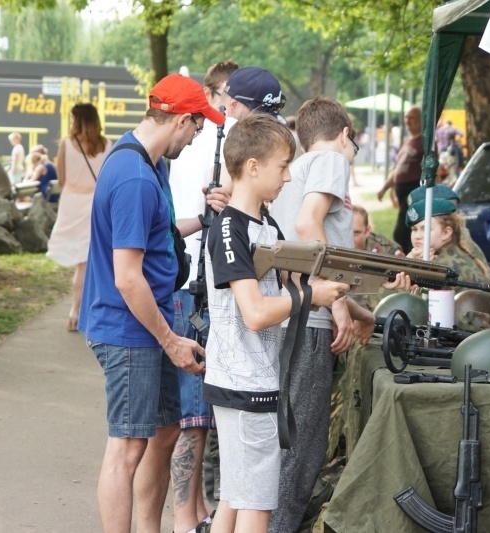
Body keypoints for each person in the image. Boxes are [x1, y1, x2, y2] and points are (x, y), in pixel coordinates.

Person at [79, 73, 225, 532]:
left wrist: (204, 218)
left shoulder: (150, 162)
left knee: (163, 433)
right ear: (181, 119)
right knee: (127, 447)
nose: (198, 135)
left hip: (148, 325)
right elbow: (128, 277)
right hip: (129, 330)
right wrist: (171, 341)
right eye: (198, 125)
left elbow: (155, 234)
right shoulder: (136, 178)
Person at [201, 113, 350, 533]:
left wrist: (357, 286)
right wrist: (313, 296)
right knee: (257, 507)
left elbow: (298, 278)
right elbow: (255, 313)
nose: (288, 177)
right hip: (246, 384)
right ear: (253, 167)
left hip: (248, 380)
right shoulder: (231, 228)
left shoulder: (265, 224)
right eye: (283, 166)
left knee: (234, 499)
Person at [269, 96, 391, 533]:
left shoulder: (296, 169)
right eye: (353, 143)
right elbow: (309, 226)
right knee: (303, 444)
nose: (353, 151)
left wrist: (356, 310)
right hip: (309, 321)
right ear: (344, 135)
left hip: (286, 315)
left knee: (286, 439)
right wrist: (339, 305)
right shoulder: (331, 160)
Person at [167, 59, 238, 533]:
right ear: (210, 96)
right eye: (227, 96)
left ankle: (192, 514)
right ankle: (184, 519)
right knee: (192, 414)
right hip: (191, 289)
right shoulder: (203, 144)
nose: (231, 108)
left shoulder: (208, 141)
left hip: (199, 284)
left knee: (197, 414)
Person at [47, 103, 111, 332]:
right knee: (91, 260)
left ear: (77, 120)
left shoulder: (66, 143)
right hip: (96, 204)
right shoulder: (107, 145)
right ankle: (84, 309)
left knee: (81, 262)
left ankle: (75, 311)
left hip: (72, 204)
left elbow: (62, 179)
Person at [407, 183, 490, 287]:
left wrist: (410, 266)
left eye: (425, 228)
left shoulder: (443, 264)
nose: (417, 236)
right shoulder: (453, 243)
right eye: (414, 229)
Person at [377, 106, 423, 253]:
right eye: (406, 118)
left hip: (414, 191)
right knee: (404, 229)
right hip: (402, 193)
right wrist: (384, 188)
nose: (407, 121)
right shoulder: (408, 141)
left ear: (420, 120)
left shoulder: (425, 141)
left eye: (412, 118)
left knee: (402, 231)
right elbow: (397, 169)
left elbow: (434, 167)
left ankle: (406, 256)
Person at [352, 204, 403, 311]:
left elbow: (400, 287)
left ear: (368, 231)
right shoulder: (330, 244)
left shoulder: (387, 250)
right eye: (345, 232)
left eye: (356, 233)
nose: (350, 238)